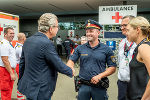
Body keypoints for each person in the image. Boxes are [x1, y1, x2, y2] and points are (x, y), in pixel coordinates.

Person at [17, 13, 74, 100]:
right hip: (40, 90)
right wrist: (70, 70)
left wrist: (20, 81)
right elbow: (58, 64)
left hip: (29, 87)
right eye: (57, 27)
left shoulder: (28, 41)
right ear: (51, 29)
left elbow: (22, 64)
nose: (58, 29)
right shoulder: (47, 43)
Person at [67, 19, 117, 100]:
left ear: (98, 32)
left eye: (91, 31)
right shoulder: (80, 48)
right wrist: (70, 67)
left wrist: (100, 76)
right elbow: (71, 60)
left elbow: (113, 68)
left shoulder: (107, 49)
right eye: (87, 31)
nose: (88, 34)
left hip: (99, 86)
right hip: (83, 86)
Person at [126, 16, 150, 100]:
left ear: (138, 30)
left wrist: (144, 98)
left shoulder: (143, 47)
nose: (126, 33)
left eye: (128, 30)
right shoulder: (141, 46)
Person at [117, 15, 136, 100]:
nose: (122, 28)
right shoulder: (121, 43)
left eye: (125, 25)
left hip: (136, 84)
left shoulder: (140, 43)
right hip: (122, 83)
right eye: (121, 25)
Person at [0, 27, 16, 100]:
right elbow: (5, 60)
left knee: (9, 91)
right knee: (6, 92)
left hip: (8, 70)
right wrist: (11, 73)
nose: (12, 35)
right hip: (5, 71)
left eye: (13, 33)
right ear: (5, 34)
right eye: (11, 33)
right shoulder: (4, 44)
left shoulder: (8, 43)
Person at [15, 32, 26, 100]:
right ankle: (20, 97)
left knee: (21, 81)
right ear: (23, 38)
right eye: (25, 37)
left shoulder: (18, 46)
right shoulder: (20, 48)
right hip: (20, 66)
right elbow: (23, 60)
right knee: (21, 82)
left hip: (19, 66)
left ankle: (21, 96)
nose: (26, 38)